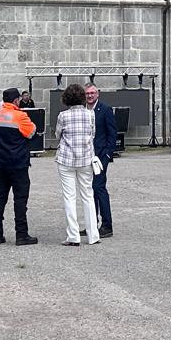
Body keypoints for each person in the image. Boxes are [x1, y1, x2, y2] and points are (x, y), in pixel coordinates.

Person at [0, 86, 38, 246]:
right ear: (16, 100)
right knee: (20, 199)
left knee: (0, 196)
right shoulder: (20, 116)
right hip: (18, 163)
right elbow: (31, 132)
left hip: (0, 163)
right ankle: (21, 235)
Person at [54, 82, 101, 246]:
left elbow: (57, 135)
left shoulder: (62, 116)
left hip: (66, 159)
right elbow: (93, 134)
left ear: (66, 98)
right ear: (82, 97)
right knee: (88, 196)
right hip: (86, 159)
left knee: (70, 197)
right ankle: (93, 235)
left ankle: (73, 236)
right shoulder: (91, 115)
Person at [85, 83, 116, 239]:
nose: (90, 96)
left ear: (98, 94)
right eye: (87, 93)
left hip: (100, 157)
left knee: (99, 188)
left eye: (92, 93)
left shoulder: (105, 110)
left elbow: (112, 133)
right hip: (86, 157)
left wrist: (108, 155)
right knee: (89, 191)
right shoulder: (83, 110)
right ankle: (92, 223)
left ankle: (107, 225)